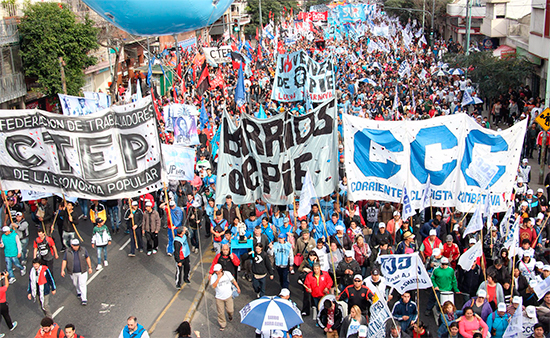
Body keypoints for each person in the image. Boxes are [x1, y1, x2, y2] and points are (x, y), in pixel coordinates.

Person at [60, 238, 92, 306]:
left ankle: (84, 299)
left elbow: (87, 257)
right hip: (73, 272)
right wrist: (62, 270)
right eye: (75, 245)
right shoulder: (67, 251)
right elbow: (64, 260)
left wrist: (90, 267)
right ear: (72, 245)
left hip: (82, 271)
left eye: (77, 245)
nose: (76, 247)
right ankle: (78, 291)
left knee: (82, 284)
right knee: (75, 283)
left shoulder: (83, 250)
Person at [210, 263, 240, 331]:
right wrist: (218, 279)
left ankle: (230, 315)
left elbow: (233, 280)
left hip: (228, 295)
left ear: (221, 270)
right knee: (220, 312)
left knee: (230, 310)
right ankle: (222, 324)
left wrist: (238, 287)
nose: (216, 272)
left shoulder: (227, 273)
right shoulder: (213, 277)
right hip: (219, 297)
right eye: (215, 271)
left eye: (217, 271)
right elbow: (213, 286)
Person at [0, 271, 16, 337]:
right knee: (6, 315)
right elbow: (6, 285)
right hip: (2, 304)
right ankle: (10, 326)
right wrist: (6, 277)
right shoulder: (1, 290)